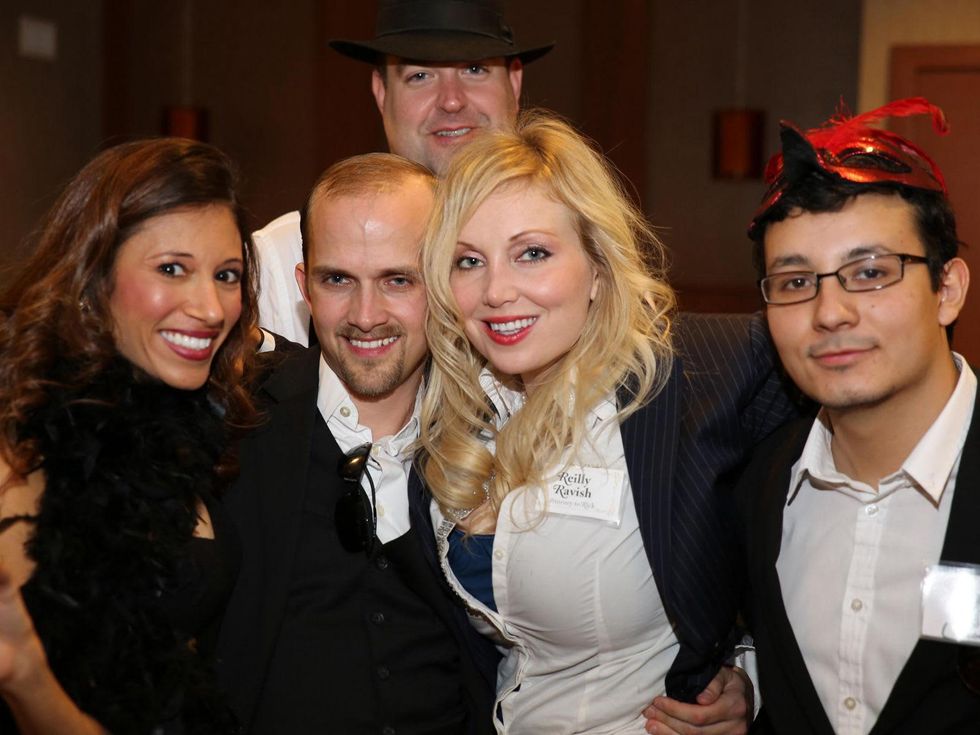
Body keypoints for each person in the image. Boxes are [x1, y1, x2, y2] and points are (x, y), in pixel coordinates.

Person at [416, 110, 800, 734]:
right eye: (468, 262)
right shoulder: (456, 410)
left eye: (532, 254)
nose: (496, 291)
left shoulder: (697, 383)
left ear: (597, 267)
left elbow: (813, 540)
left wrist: (748, 679)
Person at [216, 153, 498, 735]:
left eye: (398, 280)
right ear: (304, 287)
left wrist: (716, 672)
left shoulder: (500, 434)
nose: (366, 316)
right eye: (337, 279)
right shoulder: (231, 423)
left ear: (445, 282)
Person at [0, 138, 258, 734]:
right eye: (173, 269)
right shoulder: (25, 448)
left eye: (227, 275)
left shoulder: (184, 423)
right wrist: (29, 682)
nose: (212, 307)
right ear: (94, 278)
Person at [739, 98, 980, 733]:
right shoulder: (757, 485)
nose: (830, 312)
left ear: (947, 289)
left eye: (869, 272)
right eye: (795, 283)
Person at [256, 0, 553, 345]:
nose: (452, 101)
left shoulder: (570, 252)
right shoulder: (283, 257)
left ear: (514, 83)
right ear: (381, 92)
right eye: (420, 76)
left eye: (475, 69)